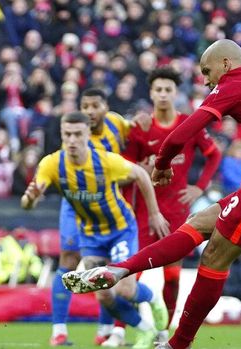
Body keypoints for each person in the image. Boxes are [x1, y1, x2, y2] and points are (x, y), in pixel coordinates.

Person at [61, 39, 241, 349]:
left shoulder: (235, 82)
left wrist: (162, 164)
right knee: (201, 222)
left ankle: (177, 344)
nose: (206, 81)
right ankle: (120, 270)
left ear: (225, 64)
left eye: (207, 72)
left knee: (215, 256)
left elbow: (181, 133)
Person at [22, 112, 169, 349]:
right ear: (62, 135)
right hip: (91, 235)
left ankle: (152, 297)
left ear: (88, 135)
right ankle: (146, 330)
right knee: (103, 294)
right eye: (67, 134)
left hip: (121, 230)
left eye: (77, 134)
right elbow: (28, 202)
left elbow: (141, 174)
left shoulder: (105, 161)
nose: (72, 140)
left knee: (124, 288)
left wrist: (154, 213)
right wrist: (29, 200)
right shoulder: (51, 163)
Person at [119, 67, 221, 344]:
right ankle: (118, 330)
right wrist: (141, 167)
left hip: (177, 211)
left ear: (175, 94)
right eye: (158, 90)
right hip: (143, 210)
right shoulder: (141, 128)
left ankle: (163, 332)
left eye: (168, 90)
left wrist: (199, 187)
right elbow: (124, 169)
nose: (163, 94)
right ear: (151, 93)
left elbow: (214, 155)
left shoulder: (188, 124)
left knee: (173, 276)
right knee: (131, 270)